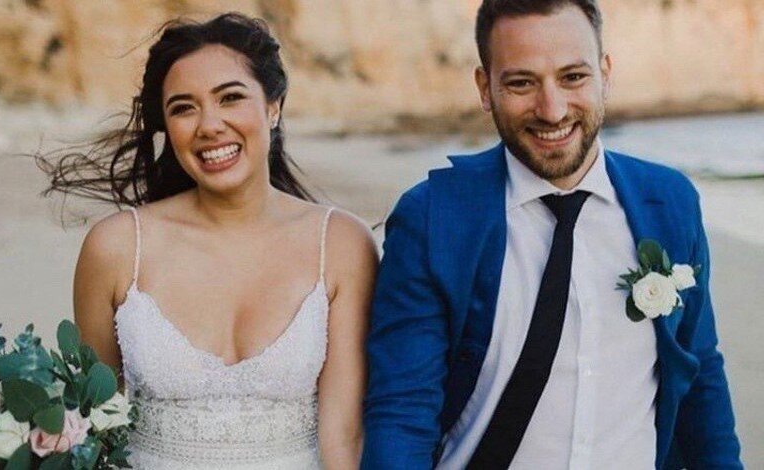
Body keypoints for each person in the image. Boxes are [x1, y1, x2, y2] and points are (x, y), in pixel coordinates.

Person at [362, 1, 742, 468]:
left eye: (573, 77)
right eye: (521, 83)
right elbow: (402, 413)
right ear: (485, 88)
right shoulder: (431, 218)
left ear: (605, 74)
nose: (552, 110)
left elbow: (700, 376)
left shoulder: (670, 201)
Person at [40, 12, 377, 469]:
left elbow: (344, 437)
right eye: (184, 108)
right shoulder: (117, 247)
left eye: (230, 98)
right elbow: (93, 428)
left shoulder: (340, 244)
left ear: (273, 107)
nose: (209, 125)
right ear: (167, 126)